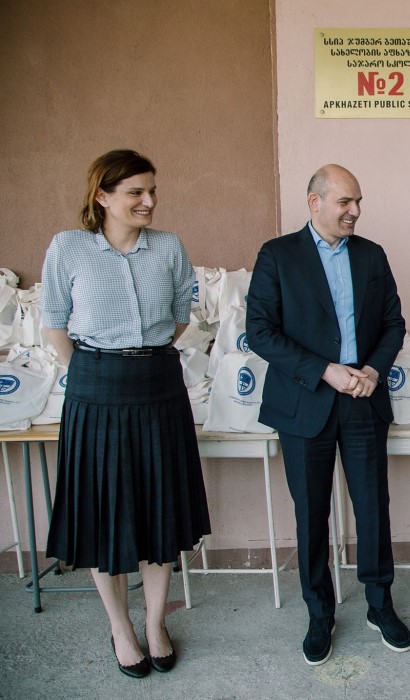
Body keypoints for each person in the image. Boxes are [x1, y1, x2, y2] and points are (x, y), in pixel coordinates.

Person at [41, 149, 211, 678]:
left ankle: (156, 623)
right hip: (95, 388)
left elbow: (182, 314)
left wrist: (144, 356)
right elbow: (54, 324)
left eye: (152, 190)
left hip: (159, 384)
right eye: (136, 192)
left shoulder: (168, 247)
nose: (149, 201)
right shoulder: (68, 247)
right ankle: (120, 627)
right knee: (104, 515)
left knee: (159, 509)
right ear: (102, 196)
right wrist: (90, 373)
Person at [245, 164, 410, 666]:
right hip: (304, 402)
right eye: (344, 202)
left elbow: (393, 323)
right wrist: (325, 371)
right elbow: (261, 331)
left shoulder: (371, 255)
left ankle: (380, 605)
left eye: (358, 202)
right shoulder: (277, 255)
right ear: (314, 202)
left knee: (373, 507)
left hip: (363, 398)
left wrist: (373, 371)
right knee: (312, 513)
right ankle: (320, 613)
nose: (354, 211)